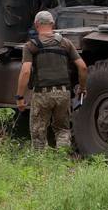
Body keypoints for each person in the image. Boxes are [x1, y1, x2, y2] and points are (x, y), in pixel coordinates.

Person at [16, 10, 88, 150]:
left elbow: (25, 71)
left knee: (38, 131)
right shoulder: (65, 43)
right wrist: (82, 88)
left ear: (36, 25)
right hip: (63, 94)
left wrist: (19, 97)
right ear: (52, 24)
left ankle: (40, 165)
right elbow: (83, 67)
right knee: (62, 129)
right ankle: (62, 160)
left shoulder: (31, 46)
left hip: (42, 94)